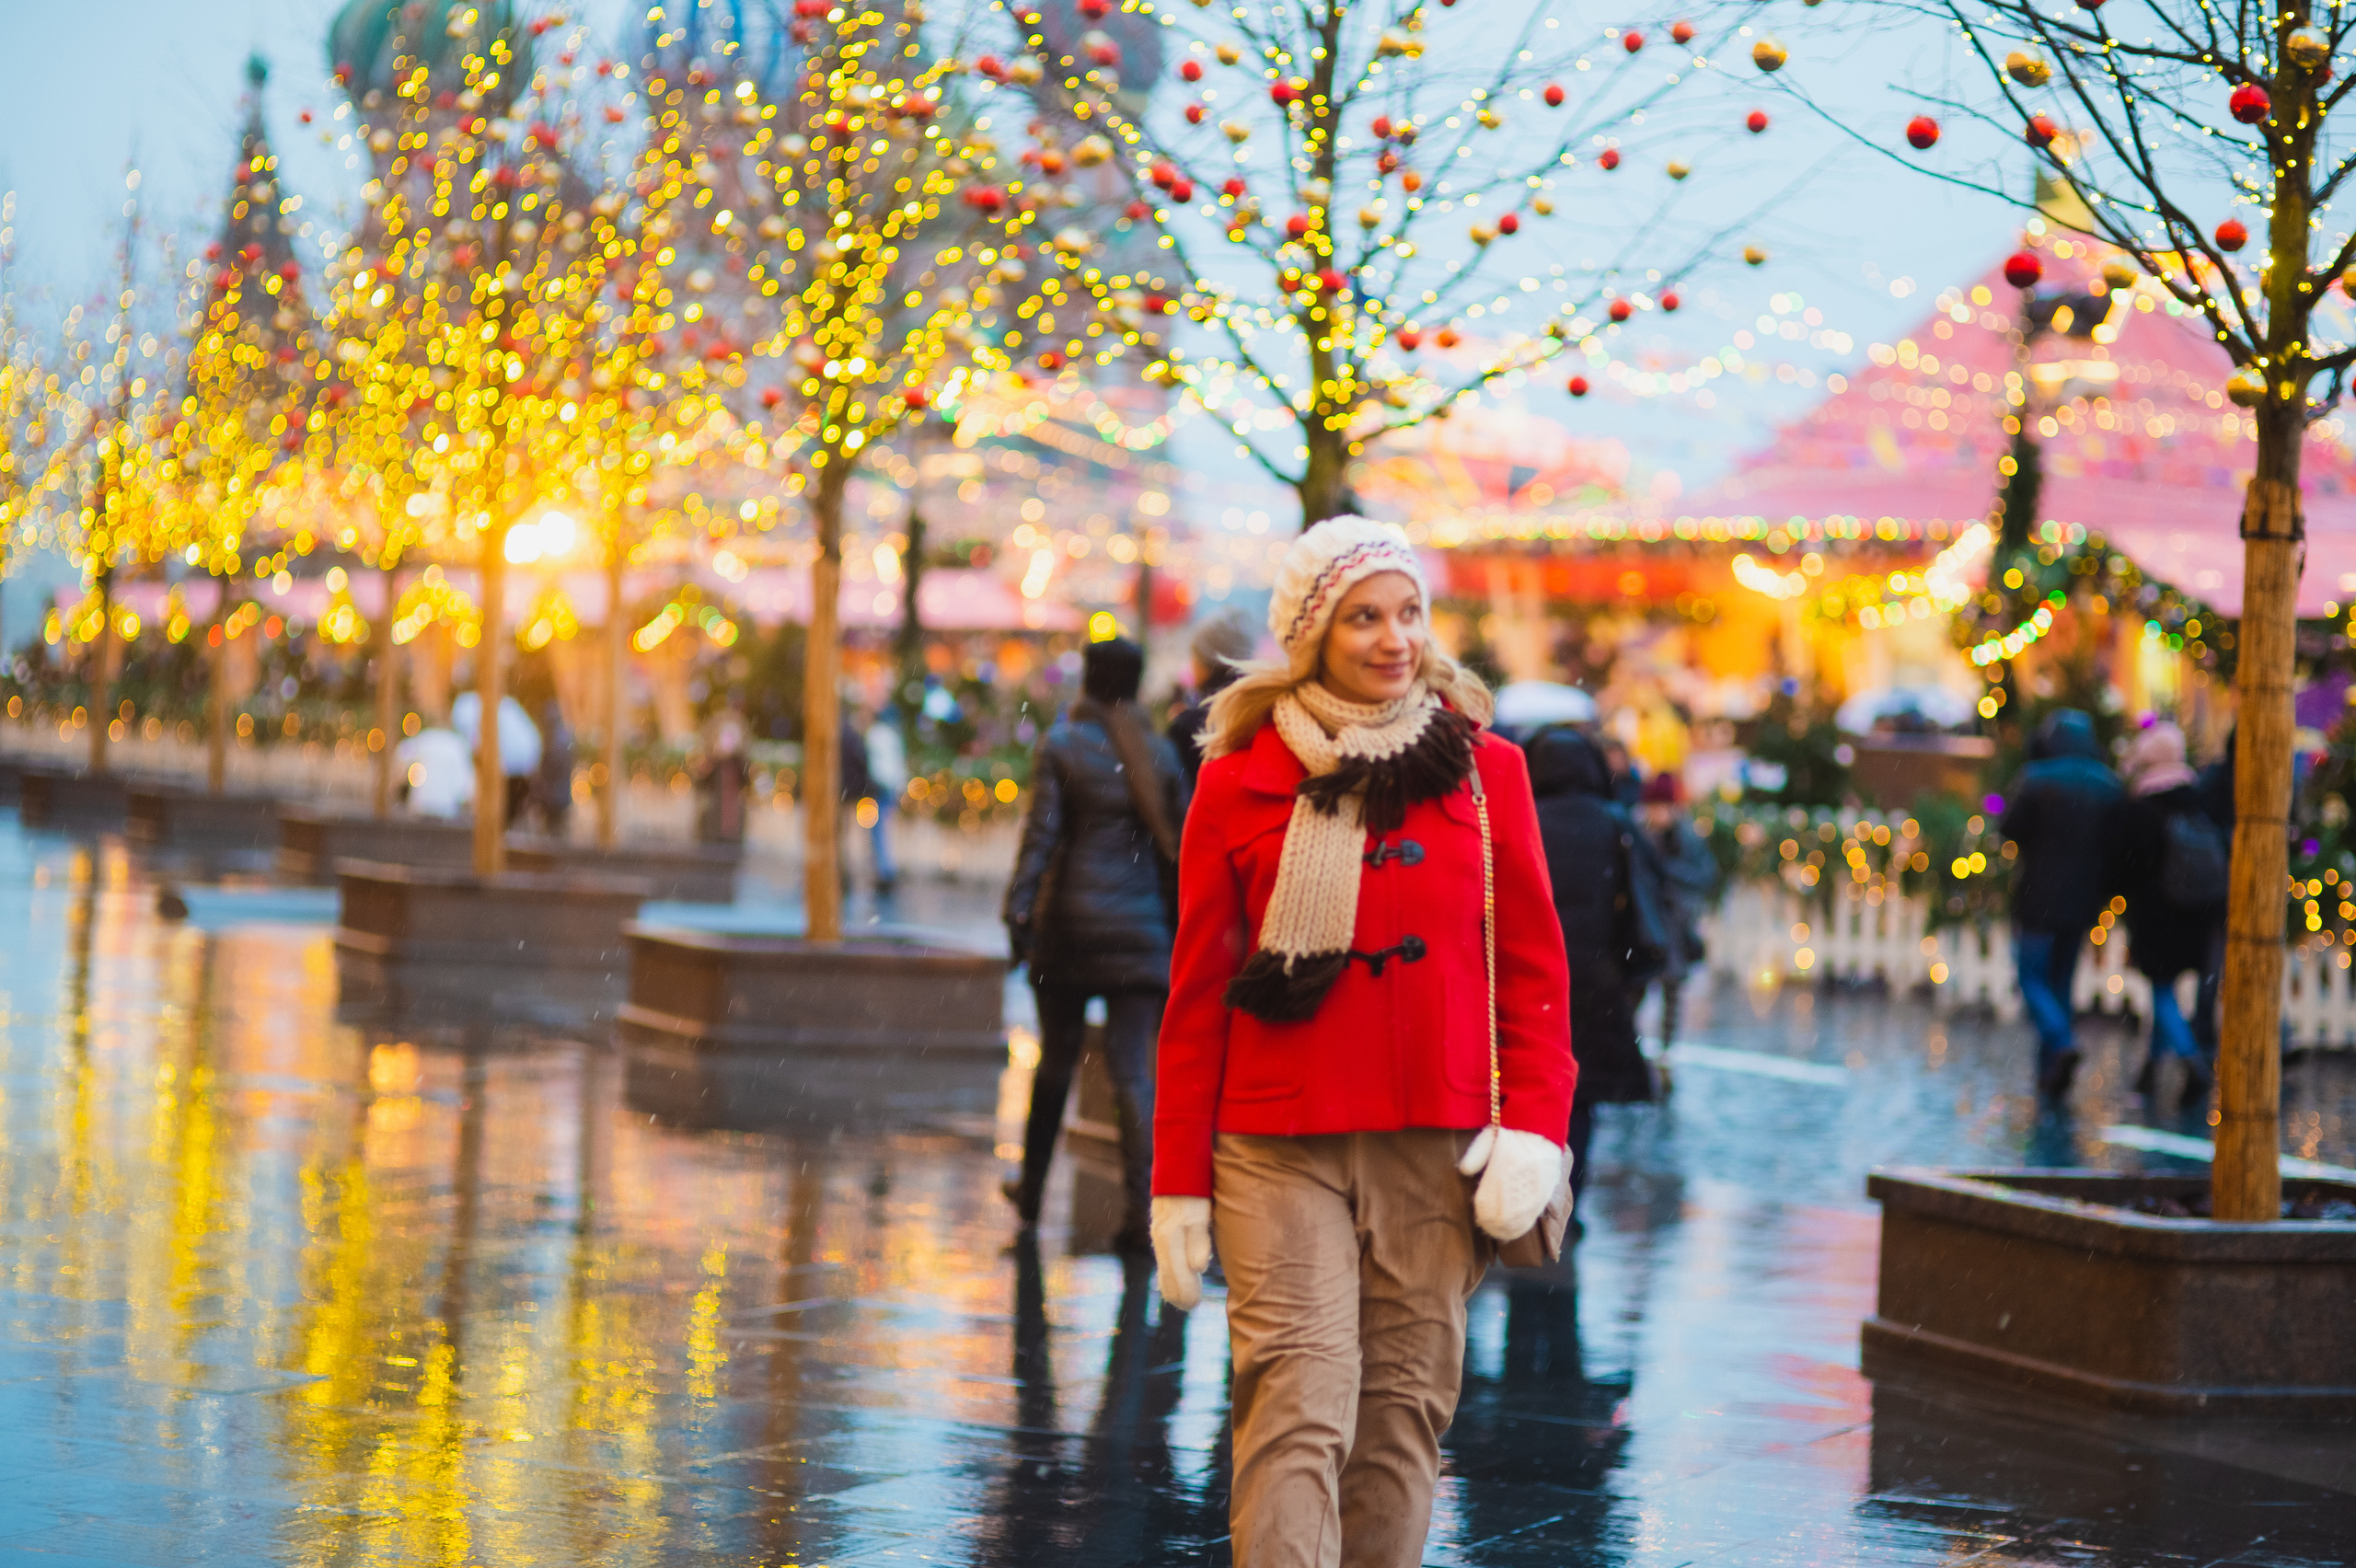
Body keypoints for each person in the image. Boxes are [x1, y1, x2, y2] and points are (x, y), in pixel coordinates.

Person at [1149, 517, 1575, 1568]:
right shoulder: (1237, 779)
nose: (1394, 638)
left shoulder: (1489, 777)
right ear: (1310, 635)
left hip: (1434, 1144)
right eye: (1363, 617)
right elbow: (1198, 990)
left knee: (1399, 1413)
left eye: (1408, 612)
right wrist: (1175, 1180)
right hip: (1272, 1139)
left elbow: (1532, 973)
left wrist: (1535, 1129)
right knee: (1296, 1397)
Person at [1002, 636, 1189, 1249]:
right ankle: (1141, 1213)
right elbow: (1179, 852)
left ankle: (1030, 1197)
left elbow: (1041, 838)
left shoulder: (1063, 744)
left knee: (1056, 1063)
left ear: (1087, 681)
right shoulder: (1158, 753)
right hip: (1142, 940)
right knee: (1132, 1073)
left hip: (1070, 933)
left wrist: (1018, 910)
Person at [1528, 727, 1663, 1213]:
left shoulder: (1523, 819)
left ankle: (1520, 1201)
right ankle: (1565, 1206)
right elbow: (1644, 907)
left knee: (1522, 1094)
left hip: (1526, 983)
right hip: (1592, 984)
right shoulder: (1613, 824)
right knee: (1580, 1100)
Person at [1999, 708, 2121, 1099]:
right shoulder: (2108, 785)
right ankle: (2050, 1070)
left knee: (2031, 978)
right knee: (2061, 983)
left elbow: (2009, 828)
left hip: (2039, 894)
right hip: (2084, 897)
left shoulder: (2037, 779)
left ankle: (2060, 1041)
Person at [2106, 721, 2227, 1107]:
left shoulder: (2144, 806)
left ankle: (2192, 1063)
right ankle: (2151, 1070)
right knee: (2168, 989)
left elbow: (2129, 864)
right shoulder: (2196, 797)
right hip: (2196, 909)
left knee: (2160, 990)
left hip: (2156, 910)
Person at [1638, 772, 1717, 1059]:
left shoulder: (1687, 838)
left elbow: (1705, 875)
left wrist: (1670, 874)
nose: (1659, 814)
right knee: (1638, 989)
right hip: (1644, 925)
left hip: (1675, 926)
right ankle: (1635, 1051)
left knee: (1672, 992)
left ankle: (1666, 1052)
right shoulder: (1637, 834)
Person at [1166, 610, 1256, 791]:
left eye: (1195, 656)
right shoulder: (1260, 715)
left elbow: (1175, 793)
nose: (1191, 664)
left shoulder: (1189, 726)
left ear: (1208, 663)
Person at [450, 690, 543, 826]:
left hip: (506, 765)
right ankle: (503, 832)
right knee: (506, 812)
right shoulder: (506, 707)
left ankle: (497, 832)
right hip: (522, 764)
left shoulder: (471, 710)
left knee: (498, 812)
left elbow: (474, 741)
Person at [864, 709, 907, 894]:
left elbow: (875, 765)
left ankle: (884, 872)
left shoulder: (875, 735)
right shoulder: (892, 736)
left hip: (880, 787)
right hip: (890, 787)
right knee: (882, 830)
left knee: (878, 831)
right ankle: (886, 870)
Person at [533, 696, 575, 836]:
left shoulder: (554, 740)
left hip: (554, 796)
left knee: (553, 832)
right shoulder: (562, 737)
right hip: (559, 795)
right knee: (556, 830)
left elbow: (550, 769)